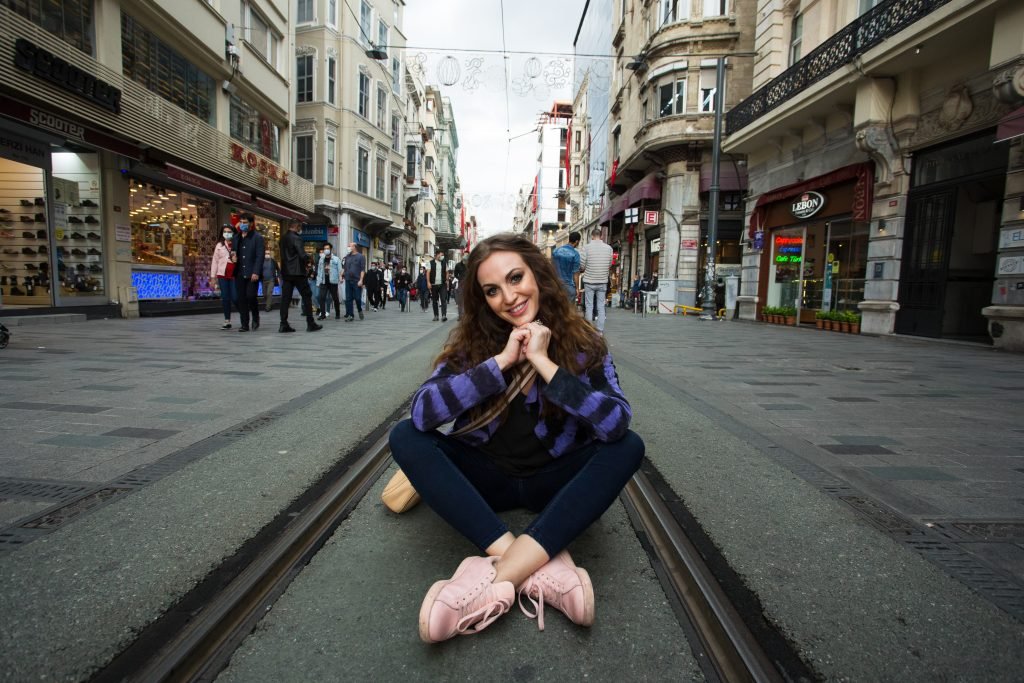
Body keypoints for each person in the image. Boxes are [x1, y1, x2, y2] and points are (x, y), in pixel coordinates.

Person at [389, 233, 643, 643]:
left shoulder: (584, 345)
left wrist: (544, 364)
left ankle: (493, 579)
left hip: (554, 481)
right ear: (482, 299)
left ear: (538, 275)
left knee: (629, 446)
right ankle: (535, 565)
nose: (508, 297)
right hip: (487, 480)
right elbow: (421, 413)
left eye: (515, 278)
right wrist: (501, 363)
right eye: (492, 290)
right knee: (404, 435)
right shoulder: (472, 348)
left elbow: (616, 422)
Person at [278, 220, 321, 333]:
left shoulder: (282, 238)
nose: (300, 230)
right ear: (297, 227)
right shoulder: (297, 238)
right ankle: (310, 323)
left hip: (286, 272)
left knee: (285, 298)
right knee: (307, 295)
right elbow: (302, 255)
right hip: (297, 272)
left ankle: (283, 323)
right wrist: (309, 259)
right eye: (300, 227)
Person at [231, 213, 264, 332]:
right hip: (239, 272)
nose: (242, 225)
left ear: (250, 224)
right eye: (241, 222)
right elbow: (233, 252)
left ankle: (255, 316)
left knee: (250, 296)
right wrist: (233, 257)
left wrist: (256, 272)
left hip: (252, 273)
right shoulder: (236, 238)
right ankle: (244, 324)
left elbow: (260, 256)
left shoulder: (257, 237)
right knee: (241, 299)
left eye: (245, 222)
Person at [578, 228, 613, 334]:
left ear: (592, 236)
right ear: (601, 236)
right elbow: (609, 264)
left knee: (589, 306)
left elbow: (582, 265)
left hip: (589, 281)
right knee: (601, 306)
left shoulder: (586, 248)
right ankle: (600, 331)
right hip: (602, 280)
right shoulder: (609, 248)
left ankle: (589, 330)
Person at [210, 224, 237, 329]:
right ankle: (227, 320)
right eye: (225, 231)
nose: (227, 233)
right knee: (225, 298)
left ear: (233, 233)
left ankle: (244, 314)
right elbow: (215, 261)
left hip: (234, 275)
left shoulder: (237, 243)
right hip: (222, 275)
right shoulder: (219, 245)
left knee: (235, 297)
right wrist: (213, 277)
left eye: (229, 231)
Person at [551, 231, 581, 303]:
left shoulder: (556, 251)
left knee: (558, 309)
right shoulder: (575, 254)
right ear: (576, 241)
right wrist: (577, 288)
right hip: (569, 287)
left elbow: (552, 268)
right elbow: (575, 273)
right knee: (569, 311)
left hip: (557, 285)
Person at [316, 242, 342, 320]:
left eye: (327, 248)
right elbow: (320, 270)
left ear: (330, 249)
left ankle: (337, 313)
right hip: (324, 281)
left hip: (332, 281)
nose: (326, 250)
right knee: (321, 297)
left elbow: (340, 270)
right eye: (325, 249)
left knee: (335, 298)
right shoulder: (322, 259)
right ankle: (323, 314)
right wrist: (318, 281)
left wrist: (340, 277)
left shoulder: (336, 259)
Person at [342, 241, 366, 321]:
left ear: (354, 247)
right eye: (348, 246)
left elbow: (362, 269)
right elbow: (344, 268)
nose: (348, 247)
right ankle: (350, 315)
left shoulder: (361, 257)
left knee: (357, 298)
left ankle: (359, 310)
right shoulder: (347, 257)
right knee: (348, 298)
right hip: (348, 279)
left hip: (357, 280)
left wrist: (361, 280)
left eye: (350, 246)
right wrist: (341, 276)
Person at [428, 248, 448, 322]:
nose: (442, 256)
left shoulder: (444, 263)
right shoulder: (431, 263)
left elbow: (447, 272)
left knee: (443, 299)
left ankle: (444, 315)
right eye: (441, 255)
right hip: (433, 284)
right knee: (434, 301)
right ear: (437, 255)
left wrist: (446, 279)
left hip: (442, 284)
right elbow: (428, 273)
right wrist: (428, 282)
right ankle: (436, 315)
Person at [261, 248, 280, 312]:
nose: (267, 255)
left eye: (268, 253)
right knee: (264, 294)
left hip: (271, 280)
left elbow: (278, 269)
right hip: (263, 280)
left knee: (269, 293)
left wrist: (278, 277)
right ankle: (270, 303)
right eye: (266, 253)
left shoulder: (273, 261)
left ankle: (268, 307)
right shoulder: (261, 261)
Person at [453, 253, 468, 319]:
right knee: (460, 300)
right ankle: (460, 315)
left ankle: (467, 315)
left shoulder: (470, 264)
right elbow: (455, 274)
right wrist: (459, 278)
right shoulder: (458, 265)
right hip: (461, 283)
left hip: (468, 283)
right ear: (462, 257)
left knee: (468, 300)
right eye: (464, 256)